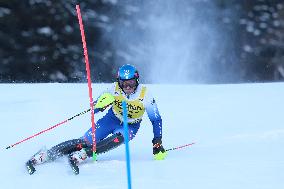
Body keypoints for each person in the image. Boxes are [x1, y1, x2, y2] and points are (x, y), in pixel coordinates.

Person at [26, 64, 167, 175]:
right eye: (124, 84)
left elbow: (156, 119)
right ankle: (47, 154)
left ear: (137, 80)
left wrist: (157, 141)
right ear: (119, 82)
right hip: (110, 119)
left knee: (119, 138)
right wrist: (99, 105)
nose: (128, 87)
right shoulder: (113, 89)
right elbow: (96, 106)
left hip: (130, 126)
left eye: (131, 83)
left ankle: (83, 155)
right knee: (86, 141)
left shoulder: (145, 94)